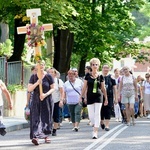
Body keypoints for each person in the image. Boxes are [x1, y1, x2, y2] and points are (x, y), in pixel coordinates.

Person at [27, 61, 55, 145]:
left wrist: (45, 94)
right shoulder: (33, 77)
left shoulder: (48, 76)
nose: (41, 67)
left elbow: (53, 88)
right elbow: (29, 89)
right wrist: (37, 83)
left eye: (42, 65)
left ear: (44, 66)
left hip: (46, 99)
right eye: (39, 65)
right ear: (36, 67)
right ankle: (35, 137)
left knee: (46, 117)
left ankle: (46, 136)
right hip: (36, 99)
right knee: (35, 118)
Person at [80, 58, 108, 139]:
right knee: (91, 115)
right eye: (93, 64)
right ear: (91, 66)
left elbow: (103, 88)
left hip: (98, 97)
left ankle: (95, 132)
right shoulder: (87, 76)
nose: (95, 66)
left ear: (98, 66)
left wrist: (106, 98)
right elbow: (85, 87)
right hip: (90, 97)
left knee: (97, 114)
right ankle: (95, 124)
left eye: (96, 64)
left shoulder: (101, 76)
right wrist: (81, 96)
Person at [47, 67, 64, 136]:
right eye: (49, 72)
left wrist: (61, 100)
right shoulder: (46, 81)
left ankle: (54, 130)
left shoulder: (58, 81)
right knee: (48, 115)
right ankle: (48, 128)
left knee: (55, 116)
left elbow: (62, 92)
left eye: (52, 72)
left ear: (55, 74)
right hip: (47, 101)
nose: (50, 74)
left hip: (56, 101)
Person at [100, 64, 117, 131]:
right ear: (102, 68)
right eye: (104, 68)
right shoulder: (99, 77)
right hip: (101, 96)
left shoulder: (111, 78)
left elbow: (115, 88)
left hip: (109, 96)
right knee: (101, 110)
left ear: (109, 69)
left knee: (108, 110)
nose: (105, 69)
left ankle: (107, 125)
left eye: (107, 68)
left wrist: (116, 98)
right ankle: (101, 122)